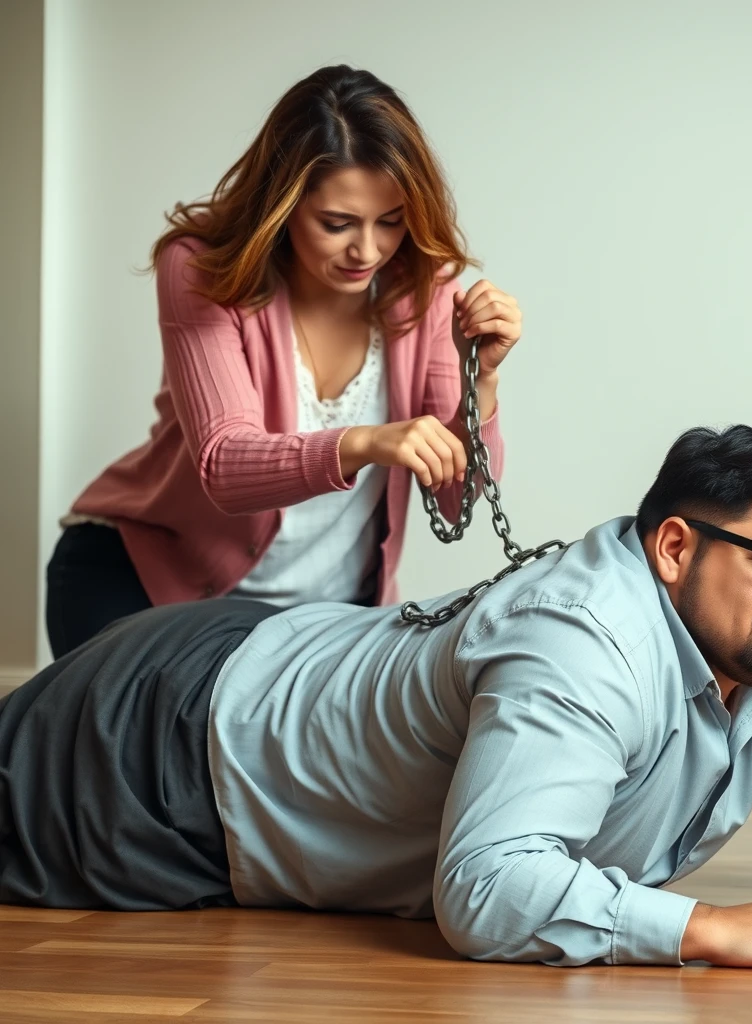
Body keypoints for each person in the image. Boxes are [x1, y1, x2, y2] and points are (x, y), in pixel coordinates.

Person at [5, 424, 752, 969]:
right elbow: (488, 892)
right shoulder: (583, 647)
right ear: (674, 546)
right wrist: (706, 929)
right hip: (171, 745)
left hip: (268, 662)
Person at [44, 64, 521, 659]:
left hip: (321, 625)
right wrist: (367, 442)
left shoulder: (426, 289)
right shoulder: (201, 270)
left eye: (391, 222)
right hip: (146, 586)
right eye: (337, 223)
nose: (367, 250)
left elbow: (456, 501)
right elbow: (224, 463)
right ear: (285, 204)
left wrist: (487, 380)